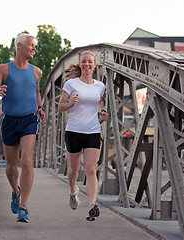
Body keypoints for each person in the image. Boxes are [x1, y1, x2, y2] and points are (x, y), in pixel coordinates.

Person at [0, 33, 46, 223]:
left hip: (30, 120)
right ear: (20, 46)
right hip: (10, 121)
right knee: (11, 167)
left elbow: (36, 92)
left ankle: (24, 206)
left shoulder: (36, 71)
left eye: (35, 46)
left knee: (27, 161)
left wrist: (40, 108)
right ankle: (15, 191)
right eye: (31, 45)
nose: (34, 48)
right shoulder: (4, 69)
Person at [58, 51, 109, 221]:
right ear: (80, 64)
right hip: (74, 131)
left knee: (90, 169)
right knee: (73, 170)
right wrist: (71, 103)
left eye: (90, 62)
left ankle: (92, 205)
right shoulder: (71, 84)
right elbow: (60, 107)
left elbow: (98, 101)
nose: (87, 64)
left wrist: (102, 111)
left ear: (95, 65)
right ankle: (73, 192)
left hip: (93, 131)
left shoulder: (99, 86)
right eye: (84, 62)